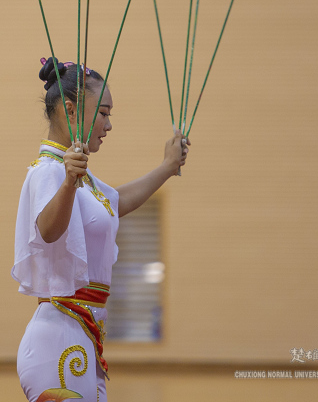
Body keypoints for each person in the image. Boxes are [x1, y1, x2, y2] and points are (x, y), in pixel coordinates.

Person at [14, 58, 189, 402]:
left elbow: (117, 200)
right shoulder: (48, 171)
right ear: (70, 109)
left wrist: (167, 167)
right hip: (60, 338)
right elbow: (48, 231)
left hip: (80, 334)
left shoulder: (81, 178)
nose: (109, 124)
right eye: (104, 113)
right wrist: (68, 182)